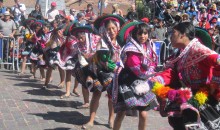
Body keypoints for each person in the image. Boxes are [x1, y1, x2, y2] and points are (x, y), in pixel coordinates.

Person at [150, 22, 220, 130]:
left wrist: (214, 85)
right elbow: (171, 73)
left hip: (203, 99)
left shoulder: (199, 49)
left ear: (183, 35)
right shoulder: (179, 53)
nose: (171, 36)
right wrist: (158, 80)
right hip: (187, 96)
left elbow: (218, 62)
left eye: (173, 33)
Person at [81, 14, 125, 129]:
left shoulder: (120, 42)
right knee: (96, 94)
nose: (111, 31)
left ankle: (111, 119)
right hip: (99, 71)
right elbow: (102, 58)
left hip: (114, 73)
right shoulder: (103, 42)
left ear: (117, 28)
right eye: (108, 29)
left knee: (112, 97)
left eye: (113, 28)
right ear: (105, 30)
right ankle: (91, 120)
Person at [112, 22, 158, 130]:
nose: (142, 36)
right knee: (121, 113)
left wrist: (151, 71)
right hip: (128, 80)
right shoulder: (130, 48)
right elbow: (135, 67)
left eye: (145, 33)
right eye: (140, 33)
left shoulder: (150, 46)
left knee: (143, 114)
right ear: (135, 35)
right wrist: (150, 75)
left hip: (143, 80)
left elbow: (153, 62)